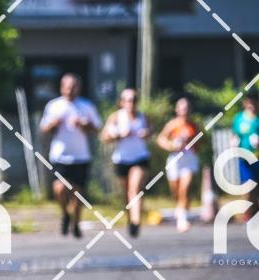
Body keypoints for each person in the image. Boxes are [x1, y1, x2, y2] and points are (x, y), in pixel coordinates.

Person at [39, 73, 101, 238]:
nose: (70, 90)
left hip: (81, 156)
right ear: (62, 88)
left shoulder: (86, 106)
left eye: (73, 87)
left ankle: (76, 222)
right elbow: (44, 128)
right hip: (60, 155)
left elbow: (96, 128)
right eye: (68, 87)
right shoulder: (54, 106)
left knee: (78, 192)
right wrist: (53, 123)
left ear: (78, 88)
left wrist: (84, 124)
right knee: (59, 188)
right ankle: (65, 213)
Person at [101, 88, 151, 237]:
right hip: (122, 159)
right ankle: (131, 218)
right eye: (128, 100)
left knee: (135, 189)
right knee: (126, 194)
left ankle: (136, 221)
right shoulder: (116, 117)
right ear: (122, 102)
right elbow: (104, 137)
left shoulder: (142, 117)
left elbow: (150, 131)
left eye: (134, 100)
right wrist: (119, 135)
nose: (131, 103)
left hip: (140, 157)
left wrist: (147, 133)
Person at [157, 97, 200, 232]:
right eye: (181, 109)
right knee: (176, 190)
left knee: (185, 188)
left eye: (186, 109)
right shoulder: (172, 124)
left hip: (189, 159)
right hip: (175, 159)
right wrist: (171, 145)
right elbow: (161, 139)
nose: (184, 112)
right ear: (177, 110)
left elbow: (199, 141)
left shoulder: (194, 125)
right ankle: (181, 207)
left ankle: (182, 219)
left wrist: (192, 144)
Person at [231, 89, 259, 217]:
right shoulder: (238, 119)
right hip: (244, 158)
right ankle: (248, 214)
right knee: (248, 186)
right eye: (249, 101)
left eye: (254, 101)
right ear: (245, 103)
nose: (251, 104)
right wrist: (233, 142)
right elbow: (234, 135)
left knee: (256, 189)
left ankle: (254, 213)